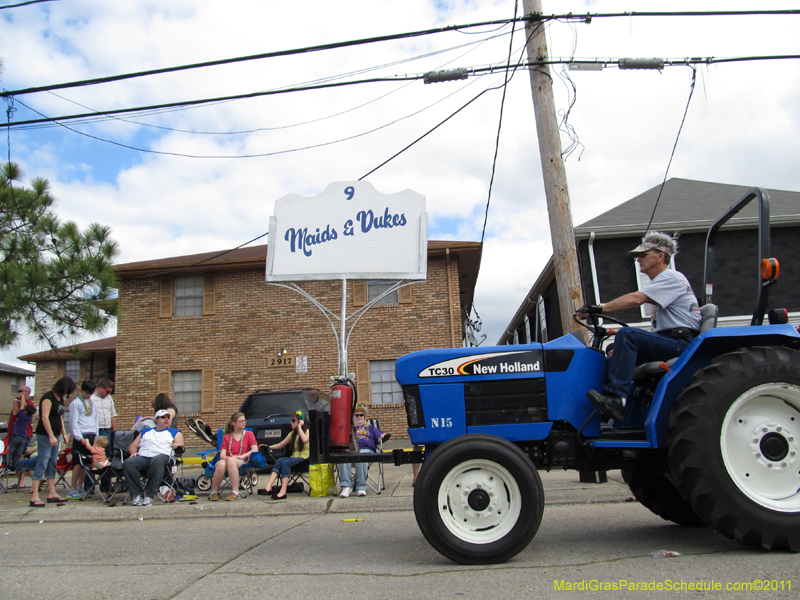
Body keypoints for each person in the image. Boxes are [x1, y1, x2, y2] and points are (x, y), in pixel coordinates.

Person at [577, 232, 701, 422]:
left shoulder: (671, 277)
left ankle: (617, 399)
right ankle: (596, 415)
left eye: (643, 255)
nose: (638, 259)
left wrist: (598, 307)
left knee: (628, 335)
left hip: (681, 343)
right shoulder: (660, 284)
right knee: (602, 364)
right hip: (669, 341)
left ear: (660, 256)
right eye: (638, 256)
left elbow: (636, 299)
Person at [30, 377, 76, 507]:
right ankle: (34, 496)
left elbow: (59, 416)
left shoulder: (60, 399)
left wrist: (63, 433)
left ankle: (52, 492)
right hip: (45, 435)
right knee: (43, 461)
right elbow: (44, 418)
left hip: (56, 435)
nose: (67, 394)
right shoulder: (47, 398)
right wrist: (50, 436)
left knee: (52, 462)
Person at [123, 409, 185, 506]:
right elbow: (133, 445)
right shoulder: (145, 432)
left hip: (163, 456)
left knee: (157, 461)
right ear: (156, 420)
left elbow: (181, 447)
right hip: (144, 456)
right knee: (128, 463)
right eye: (163, 417)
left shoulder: (175, 432)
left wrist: (178, 446)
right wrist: (133, 453)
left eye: (168, 417)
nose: (166, 419)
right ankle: (137, 494)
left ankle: (149, 495)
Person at [259, 411, 309, 500]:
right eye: (291, 420)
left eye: (293, 421)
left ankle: (283, 491)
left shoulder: (308, 431)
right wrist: (268, 447)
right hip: (294, 458)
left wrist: (299, 427)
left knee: (286, 463)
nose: (291, 423)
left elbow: (304, 440)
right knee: (280, 460)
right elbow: (281, 444)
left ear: (300, 422)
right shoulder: (292, 434)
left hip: (304, 458)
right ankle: (268, 487)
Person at [209, 412, 258, 501]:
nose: (244, 423)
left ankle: (235, 492)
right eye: (241, 421)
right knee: (221, 464)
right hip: (228, 460)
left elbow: (255, 449)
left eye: (244, 421)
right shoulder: (227, 437)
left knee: (231, 461)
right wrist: (227, 458)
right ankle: (213, 492)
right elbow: (222, 454)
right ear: (234, 423)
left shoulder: (248, 434)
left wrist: (243, 455)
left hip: (241, 461)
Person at [339, 404, 386, 498]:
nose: (359, 417)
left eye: (361, 415)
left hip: (366, 450)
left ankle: (361, 487)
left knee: (361, 455)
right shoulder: (348, 428)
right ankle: (346, 486)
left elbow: (380, 437)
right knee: (343, 456)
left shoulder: (371, 428)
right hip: (351, 451)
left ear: (365, 417)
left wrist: (382, 437)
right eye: (357, 415)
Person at [66, 380, 99, 499]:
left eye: (91, 393)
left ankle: (80, 487)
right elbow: (74, 423)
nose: (89, 395)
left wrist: (96, 436)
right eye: (87, 392)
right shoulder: (75, 404)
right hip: (81, 435)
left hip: (91, 434)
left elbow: (95, 420)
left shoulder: (92, 403)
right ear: (81, 390)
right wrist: (79, 437)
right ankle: (72, 488)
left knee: (86, 463)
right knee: (78, 463)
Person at [7, 404, 37, 471]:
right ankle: (15, 466)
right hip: (23, 438)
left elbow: (22, 407)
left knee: (10, 452)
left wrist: (22, 397)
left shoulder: (22, 415)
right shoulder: (29, 418)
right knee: (18, 454)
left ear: (26, 411)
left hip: (16, 436)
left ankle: (7, 465)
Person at [5, 385, 35, 449]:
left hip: (22, 434)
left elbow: (18, 412)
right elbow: (14, 412)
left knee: (19, 455)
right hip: (13, 433)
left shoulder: (29, 403)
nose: (18, 393)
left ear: (27, 392)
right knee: (10, 454)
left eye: (20, 391)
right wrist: (16, 399)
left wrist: (21, 399)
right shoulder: (18, 403)